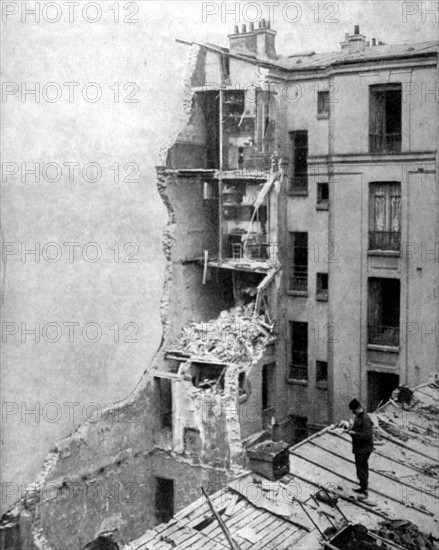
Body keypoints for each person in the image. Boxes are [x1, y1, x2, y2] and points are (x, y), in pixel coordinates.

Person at [347, 398, 374, 498]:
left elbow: (366, 436)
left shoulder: (366, 419)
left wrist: (354, 434)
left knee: (362, 468)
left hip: (364, 448)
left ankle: (364, 490)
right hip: (359, 448)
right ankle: (362, 487)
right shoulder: (359, 417)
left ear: (359, 408)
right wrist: (351, 430)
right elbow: (355, 429)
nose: (353, 413)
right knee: (359, 468)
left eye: (354, 411)